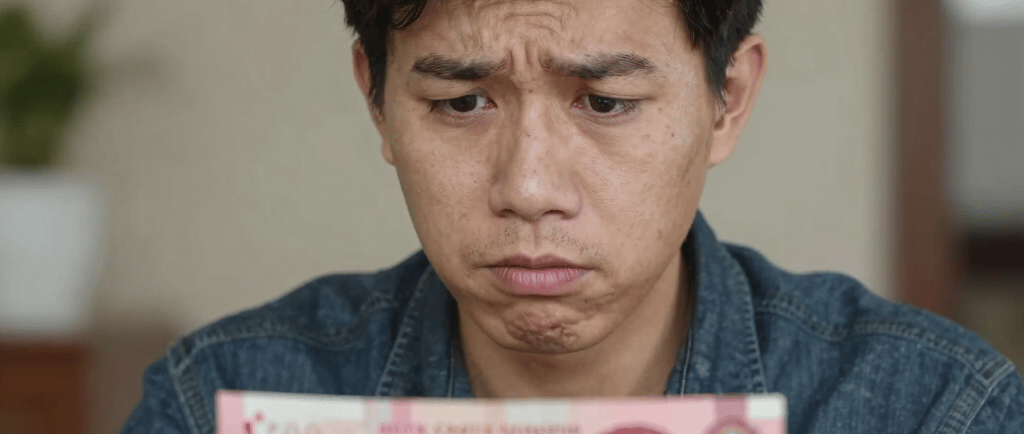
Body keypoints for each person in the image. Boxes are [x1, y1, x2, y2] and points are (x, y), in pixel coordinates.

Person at [121, 0, 1024, 432]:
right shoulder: (218, 401)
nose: (529, 187)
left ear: (728, 101)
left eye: (605, 102)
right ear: (379, 103)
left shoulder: (934, 410)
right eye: (462, 103)